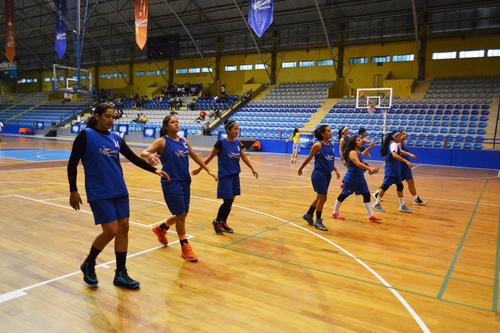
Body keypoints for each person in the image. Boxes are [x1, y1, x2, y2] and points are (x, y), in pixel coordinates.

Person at [67, 103, 169, 289]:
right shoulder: (86, 136)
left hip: (119, 189)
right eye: (107, 116)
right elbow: (72, 163)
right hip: (99, 190)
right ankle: (89, 263)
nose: (111, 120)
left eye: (113, 117)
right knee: (111, 230)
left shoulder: (116, 138)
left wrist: (155, 170)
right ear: (97, 116)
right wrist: (73, 190)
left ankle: (120, 273)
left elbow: (133, 157)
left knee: (123, 228)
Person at [141, 115, 217, 262]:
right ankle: (185, 247)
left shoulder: (183, 140)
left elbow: (194, 156)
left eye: (177, 122)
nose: (176, 124)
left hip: (185, 181)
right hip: (171, 182)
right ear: (166, 126)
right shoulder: (162, 141)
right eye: (172, 122)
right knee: (181, 214)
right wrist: (149, 156)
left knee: (182, 214)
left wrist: (208, 170)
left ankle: (161, 228)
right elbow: (144, 152)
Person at [192, 119, 258, 234]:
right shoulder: (220, 143)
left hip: (235, 175)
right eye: (235, 129)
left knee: (230, 202)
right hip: (225, 176)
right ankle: (217, 222)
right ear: (228, 130)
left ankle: (223, 222)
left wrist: (252, 168)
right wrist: (199, 169)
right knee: (227, 201)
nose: (237, 131)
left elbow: (243, 157)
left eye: (238, 129)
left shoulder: (237, 143)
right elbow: (210, 157)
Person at [298, 125, 341, 232]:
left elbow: (330, 160)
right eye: (328, 131)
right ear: (323, 134)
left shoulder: (331, 144)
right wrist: (301, 168)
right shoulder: (318, 145)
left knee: (319, 197)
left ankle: (308, 214)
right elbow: (309, 157)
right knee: (323, 198)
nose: (331, 132)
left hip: (327, 174)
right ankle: (318, 221)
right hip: (319, 174)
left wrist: (335, 170)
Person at [331, 136, 382, 222]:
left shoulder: (357, 152)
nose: (361, 141)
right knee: (344, 195)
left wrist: (369, 148)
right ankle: (335, 212)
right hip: (351, 179)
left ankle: (371, 215)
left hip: (360, 179)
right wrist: (370, 169)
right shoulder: (352, 153)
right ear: (354, 143)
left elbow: (362, 155)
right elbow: (358, 163)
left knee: (366, 194)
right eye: (358, 140)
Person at [374, 131, 426, 205]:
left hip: (403, 165)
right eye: (404, 134)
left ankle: (413, 199)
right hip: (399, 165)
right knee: (388, 183)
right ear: (399, 136)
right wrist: (409, 155)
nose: (406, 135)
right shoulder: (396, 143)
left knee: (407, 182)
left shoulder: (398, 142)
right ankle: (377, 196)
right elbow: (399, 152)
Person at [372, 131, 413, 213]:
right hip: (391, 169)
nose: (400, 138)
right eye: (399, 136)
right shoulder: (393, 144)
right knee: (385, 186)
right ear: (395, 137)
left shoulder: (394, 144)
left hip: (395, 169)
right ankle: (377, 204)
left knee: (400, 186)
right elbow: (394, 155)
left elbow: (399, 153)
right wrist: (406, 161)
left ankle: (402, 205)